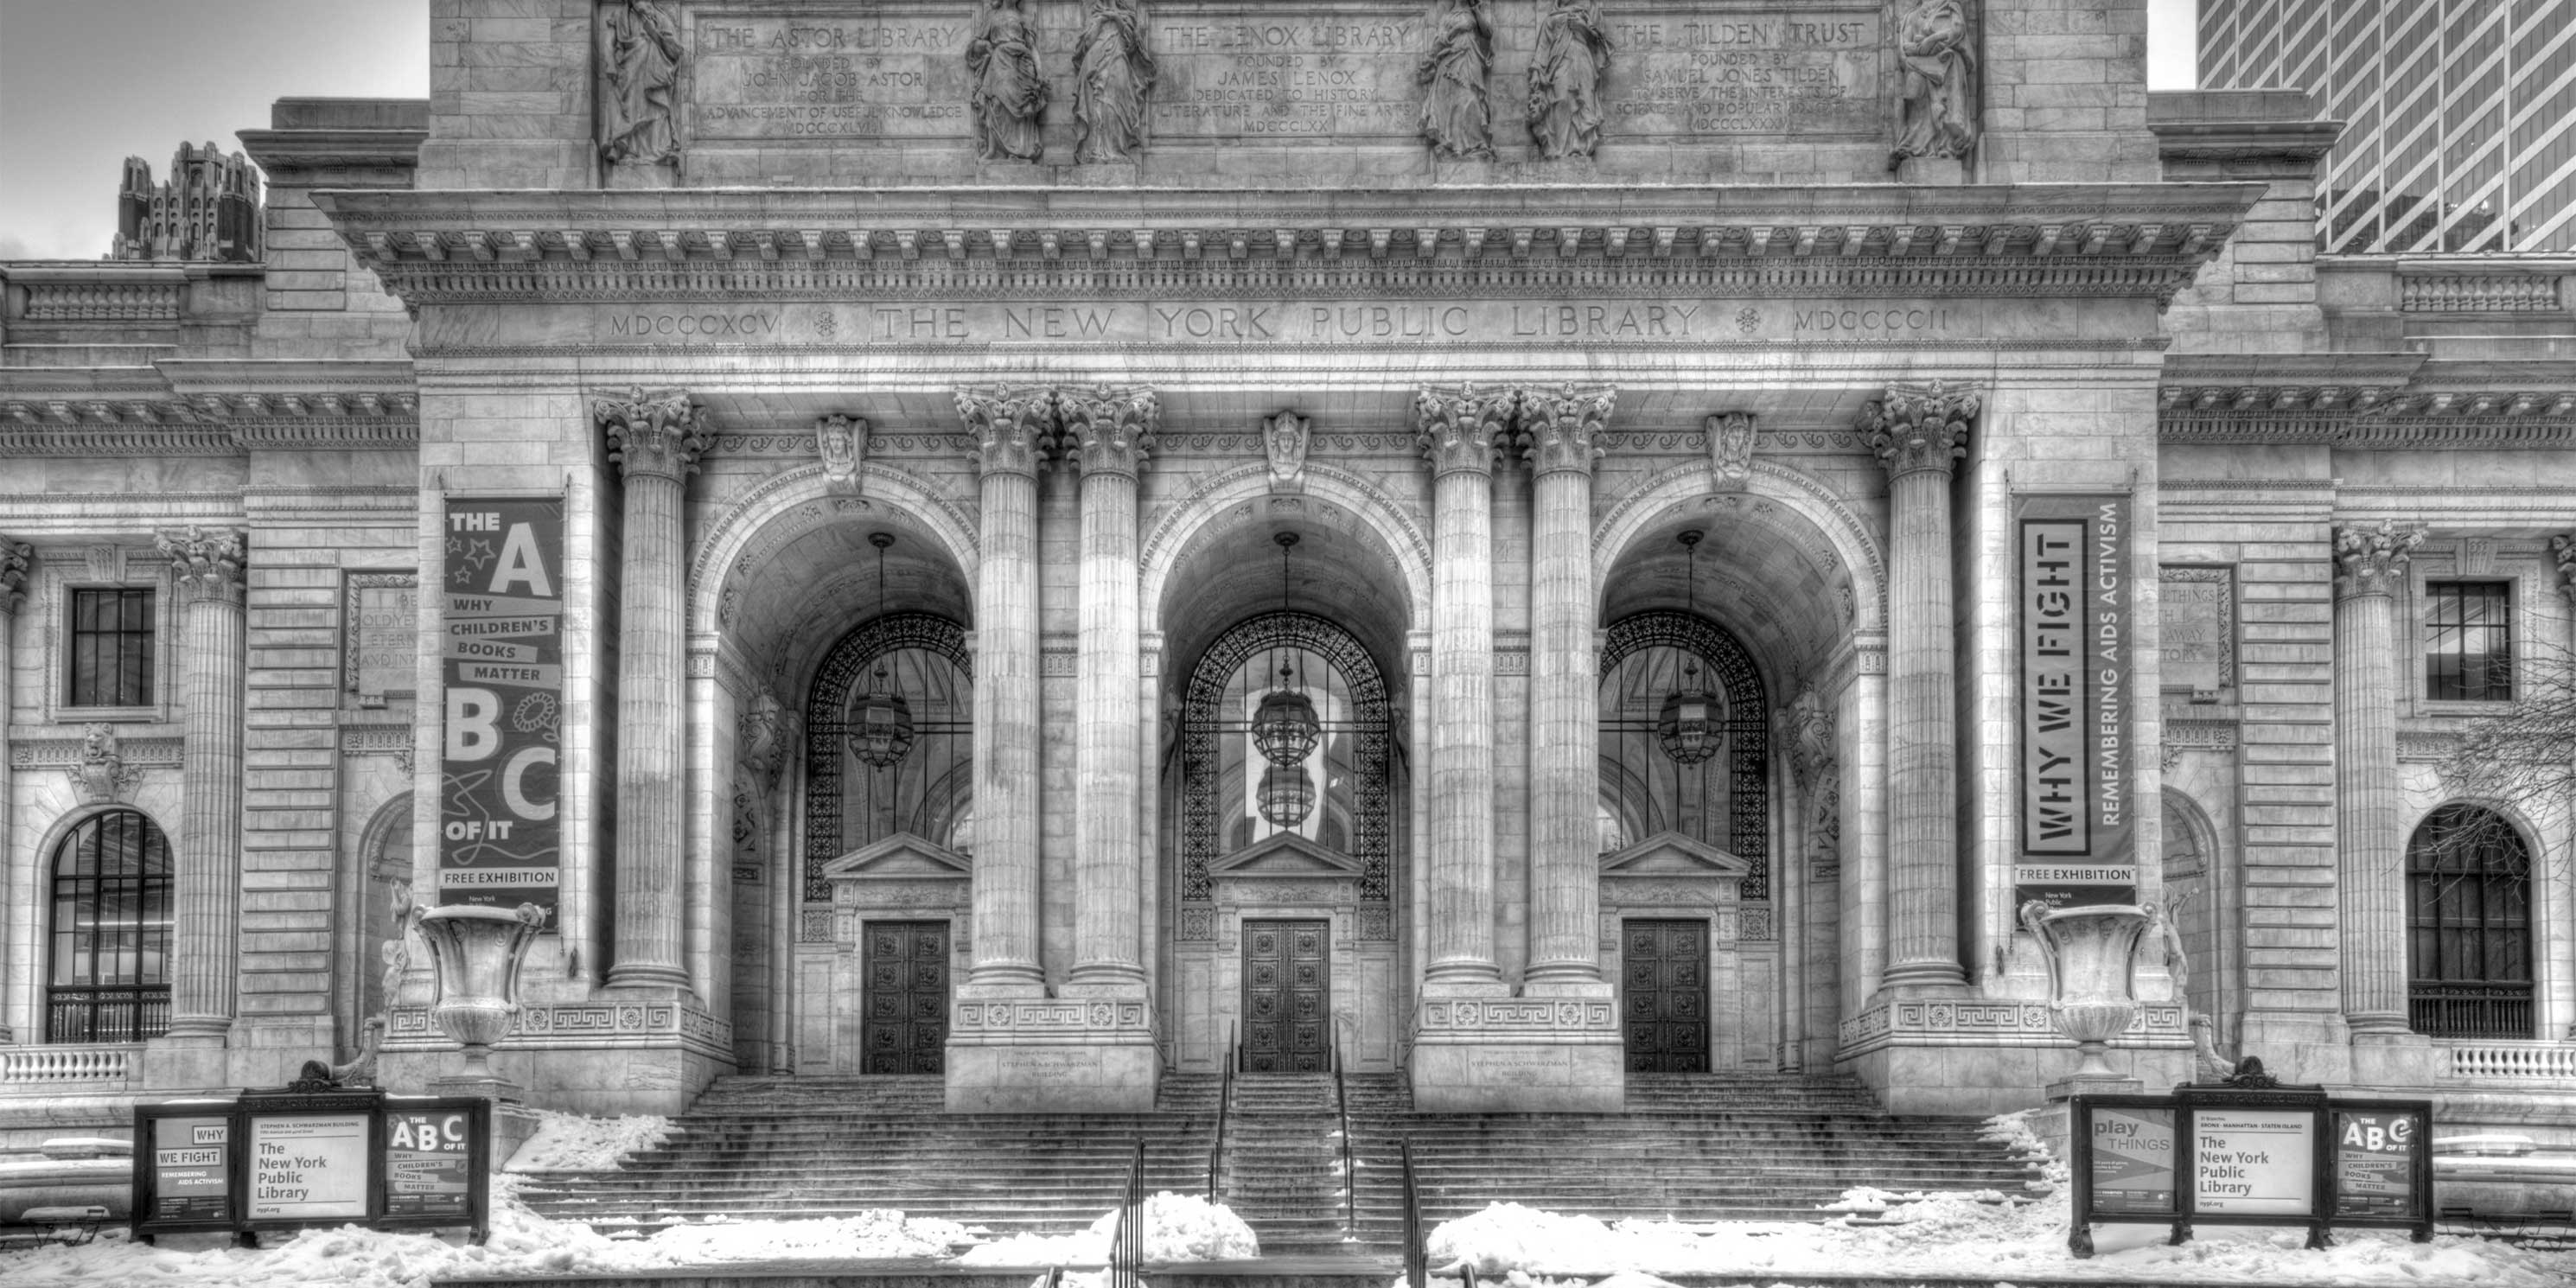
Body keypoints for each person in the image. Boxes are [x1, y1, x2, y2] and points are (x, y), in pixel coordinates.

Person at [599, 1, 684, 168]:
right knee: (629, 109)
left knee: (655, 109)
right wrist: (610, 62)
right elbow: (609, 42)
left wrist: (654, 34)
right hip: (628, 72)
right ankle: (630, 150)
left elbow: (675, 51)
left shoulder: (661, 19)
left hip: (654, 74)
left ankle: (657, 148)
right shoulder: (619, 16)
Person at [1892, 0, 1977, 163]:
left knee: (1951, 66)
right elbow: (1904, 49)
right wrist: (1919, 49)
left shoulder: (1950, 7)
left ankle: (1945, 146)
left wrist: (1932, 40)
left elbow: (1957, 31)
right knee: (1912, 94)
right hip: (1918, 62)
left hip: (1945, 60)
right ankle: (1916, 145)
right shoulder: (1912, 15)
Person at [1527, 0, 1610, 160]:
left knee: (1585, 101)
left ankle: (1578, 148)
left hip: (1583, 58)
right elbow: (1542, 48)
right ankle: (1559, 149)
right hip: (1560, 61)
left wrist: (1583, 27)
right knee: (1561, 99)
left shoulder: (1587, 12)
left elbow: (1599, 42)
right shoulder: (1552, 18)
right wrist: (1537, 72)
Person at [1074, 0, 1157, 163]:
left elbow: (1132, 45)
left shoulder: (1127, 16)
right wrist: (1101, 21)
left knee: (1116, 102)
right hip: (1094, 63)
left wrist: (1116, 18)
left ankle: (1116, 150)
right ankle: (1097, 149)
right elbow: (1088, 43)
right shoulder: (1095, 15)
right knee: (1097, 105)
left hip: (1118, 58)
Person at [969, 0, 1049, 163]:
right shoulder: (992, 16)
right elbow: (976, 44)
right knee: (996, 103)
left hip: (1022, 64)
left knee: (1023, 107)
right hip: (1000, 60)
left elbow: (1032, 47)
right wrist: (984, 45)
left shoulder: (1024, 18)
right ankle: (993, 151)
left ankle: (1020, 151)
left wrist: (1039, 72)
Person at [1417, 0, 1495, 160]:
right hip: (1450, 63)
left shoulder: (1476, 12)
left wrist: (1475, 10)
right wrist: (1457, 30)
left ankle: (1474, 144)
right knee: (1452, 103)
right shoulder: (1447, 17)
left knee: (1470, 99)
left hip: (1470, 59)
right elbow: (1440, 42)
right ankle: (1455, 147)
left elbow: (1488, 32)